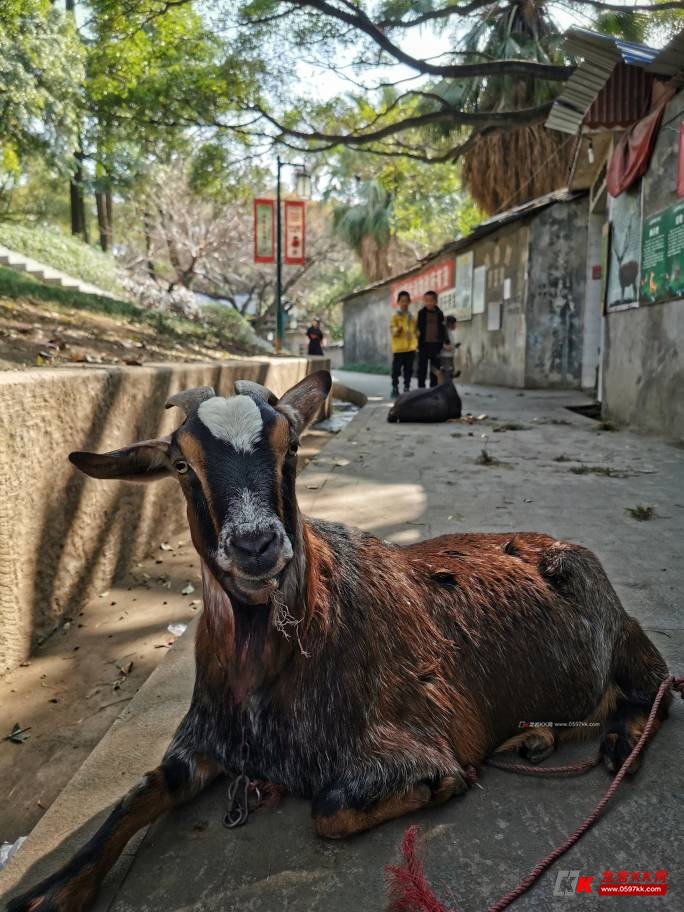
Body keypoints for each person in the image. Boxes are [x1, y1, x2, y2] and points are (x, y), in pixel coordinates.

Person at [416, 290, 450, 388]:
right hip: (423, 345)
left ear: (436, 301)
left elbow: (443, 329)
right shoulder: (421, 313)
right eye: (426, 301)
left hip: (436, 345)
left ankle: (433, 388)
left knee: (435, 369)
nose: (428, 303)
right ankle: (421, 388)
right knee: (422, 368)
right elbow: (418, 327)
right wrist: (417, 338)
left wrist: (446, 342)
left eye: (431, 301)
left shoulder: (439, 313)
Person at [389, 290, 417, 397]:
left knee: (409, 369)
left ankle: (407, 387)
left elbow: (415, 331)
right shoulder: (395, 317)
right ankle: (395, 387)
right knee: (396, 370)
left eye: (406, 301)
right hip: (399, 348)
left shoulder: (412, 317)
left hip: (410, 348)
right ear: (398, 302)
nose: (404, 303)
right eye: (402, 301)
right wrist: (398, 330)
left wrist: (415, 338)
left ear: (409, 302)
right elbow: (392, 330)